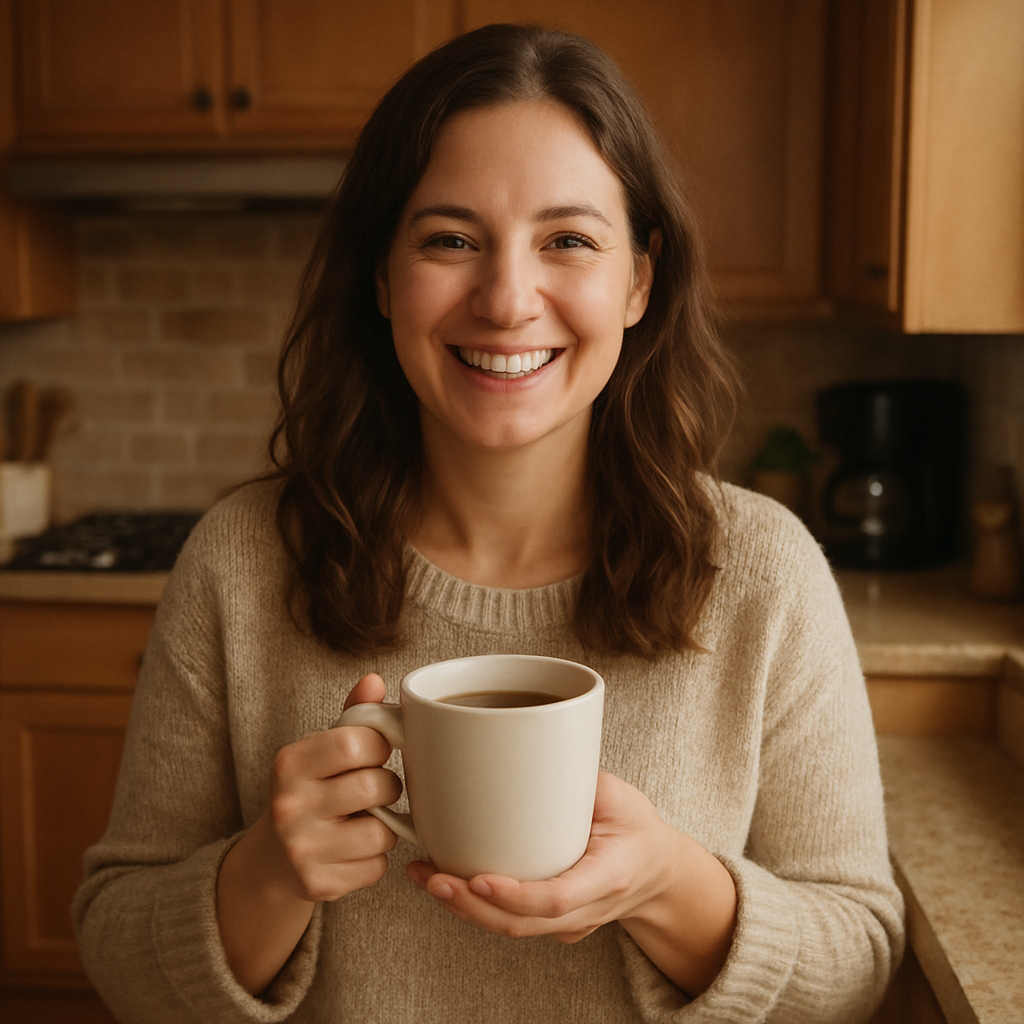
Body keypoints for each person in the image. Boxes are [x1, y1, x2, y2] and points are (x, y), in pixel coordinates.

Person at [73, 23, 904, 1024]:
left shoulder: (763, 572)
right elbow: (118, 951)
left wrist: (668, 886)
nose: (508, 300)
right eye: (450, 239)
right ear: (380, 277)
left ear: (639, 279)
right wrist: (265, 873)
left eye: (568, 240)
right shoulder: (244, 562)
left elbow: (858, 961)